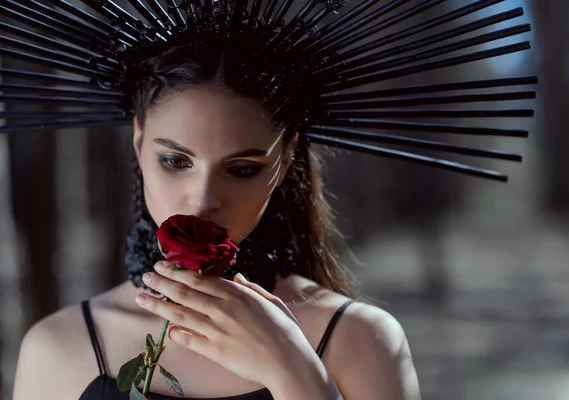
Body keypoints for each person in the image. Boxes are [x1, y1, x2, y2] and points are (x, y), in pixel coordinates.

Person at [11, 30, 421, 400]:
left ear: (286, 157)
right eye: (174, 160)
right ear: (138, 142)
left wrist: (293, 368)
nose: (204, 199)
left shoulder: (361, 339)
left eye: (242, 169)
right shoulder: (59, 346)